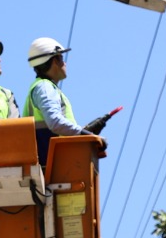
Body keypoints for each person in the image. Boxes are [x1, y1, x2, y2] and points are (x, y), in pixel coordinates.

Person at [23, 37, 105, 165]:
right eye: (61, 58)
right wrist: (84, 134)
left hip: (52, 161)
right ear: (54, 61)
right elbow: (55, 122)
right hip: (49, 163)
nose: (65, 63)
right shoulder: (45, 87)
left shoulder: (45, 87)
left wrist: (85, 131)